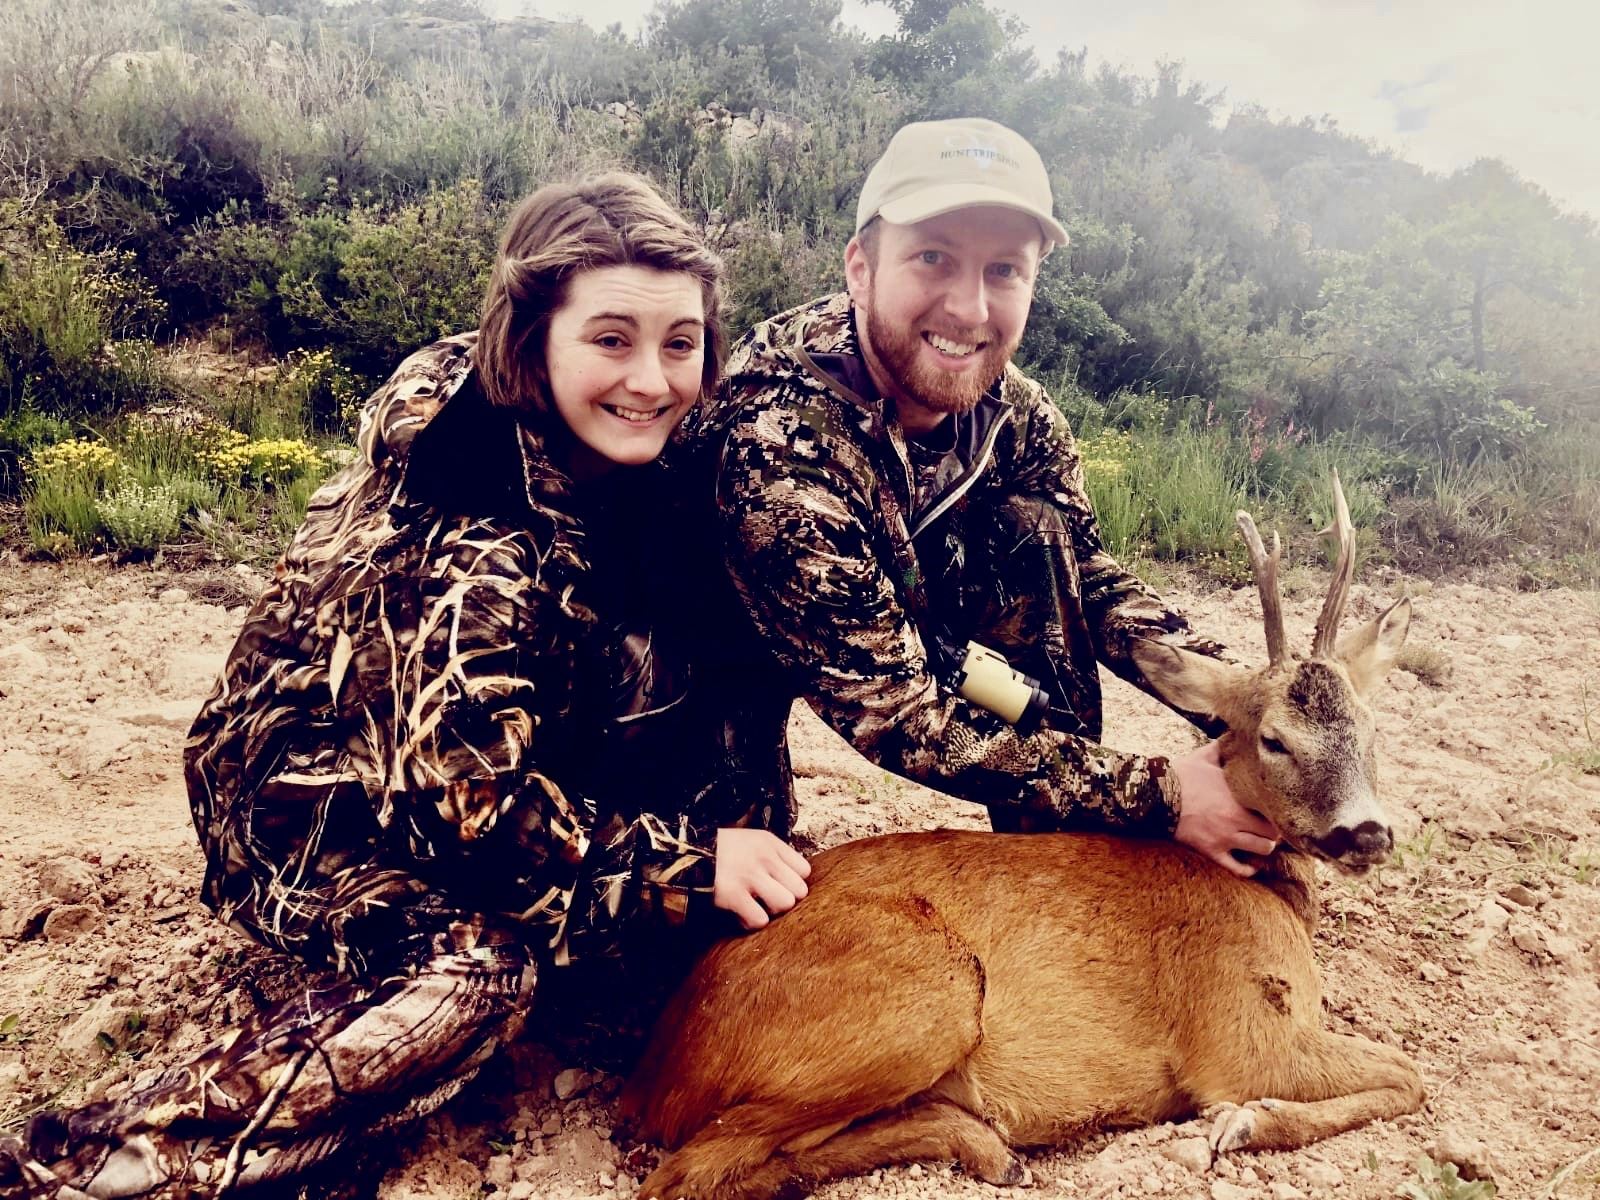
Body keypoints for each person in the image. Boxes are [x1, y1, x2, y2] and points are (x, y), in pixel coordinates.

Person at [0, 172, 808, 1199]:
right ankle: (93, 1162)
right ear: (533, 338)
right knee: (482, 973)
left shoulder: (632, 453)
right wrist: (686, 864)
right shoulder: (463, 515)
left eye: (679, 343)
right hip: (312, 803)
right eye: (611, 339)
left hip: (470, 763)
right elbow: (458, 821)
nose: (650, 379)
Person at [687, 117, 1280, 876]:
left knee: (1037, 533)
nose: (970, 310)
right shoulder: (779, 440)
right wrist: (1159, 795)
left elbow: (1088, 573)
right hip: (702, 662)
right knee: (717, 888)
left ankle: (1057, 861)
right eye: (933, 258)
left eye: (1004, 270)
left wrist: (1250, 699)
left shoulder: (1015, 412)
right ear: (861, 269)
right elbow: (896, 713)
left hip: (897, 604)